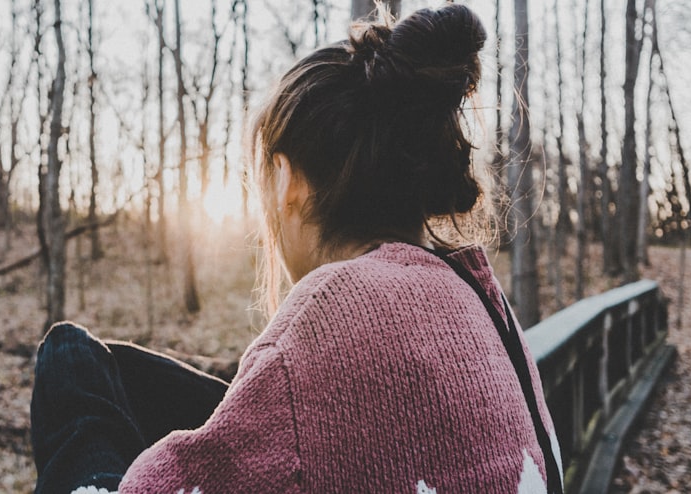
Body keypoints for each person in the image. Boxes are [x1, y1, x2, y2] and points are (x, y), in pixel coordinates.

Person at [30, 3, 564, 493]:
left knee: (69, 358)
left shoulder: (336, 306)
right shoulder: (474, 292)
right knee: (120, 370)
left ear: (286, 181)